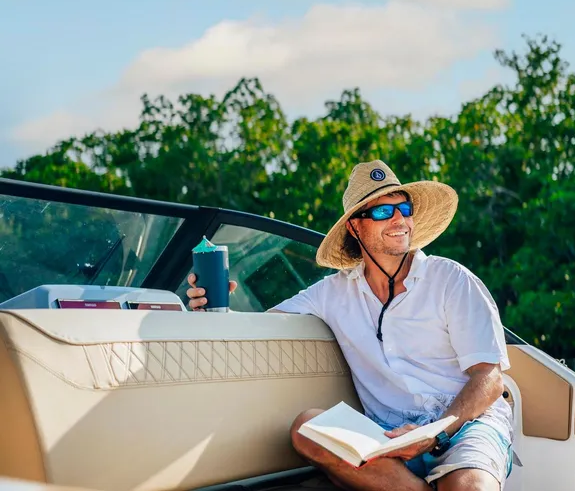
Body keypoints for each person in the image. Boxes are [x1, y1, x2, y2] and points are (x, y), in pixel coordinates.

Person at [186, 160, 515, 491]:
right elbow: (256, 330)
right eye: (384, 212)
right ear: (355, 228)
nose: (399, 218)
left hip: (465, 424)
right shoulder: (332, 292)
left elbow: (489, 377)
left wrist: (436, 435)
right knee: (307, 428)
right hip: (388, 432)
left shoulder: (452, 280)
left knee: (469, 487)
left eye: (404, 208)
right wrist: (212, 310)